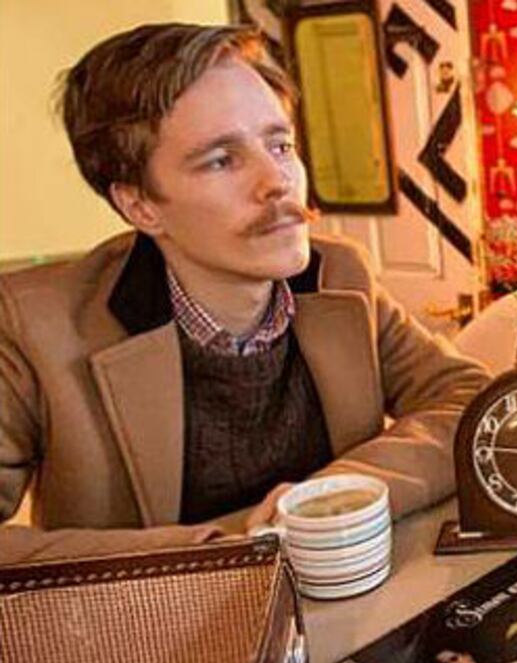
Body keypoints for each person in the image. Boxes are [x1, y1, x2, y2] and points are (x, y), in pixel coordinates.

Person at [0, 24, 490, 564]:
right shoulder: (32, 323)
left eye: (280, 145)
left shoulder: (341, 274)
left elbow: (470, 400)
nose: (277, 181)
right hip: (158, 631)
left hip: (345, 610)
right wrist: (220, 551)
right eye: (221, 160)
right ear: (140, 205)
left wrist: (335, 492)